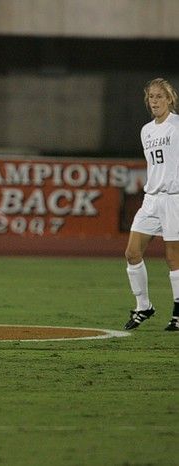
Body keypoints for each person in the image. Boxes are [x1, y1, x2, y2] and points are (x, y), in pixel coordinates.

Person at [124, 78, 179, 332]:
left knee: (173, 258)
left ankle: (178, 312)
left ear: (169, 99)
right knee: (132, 253)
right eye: (151, 97)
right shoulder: (146, 130)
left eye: (160, 96)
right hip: (151, 199)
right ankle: (143, 306)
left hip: (174, 198)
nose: (155, 101)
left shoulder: (176, 126)